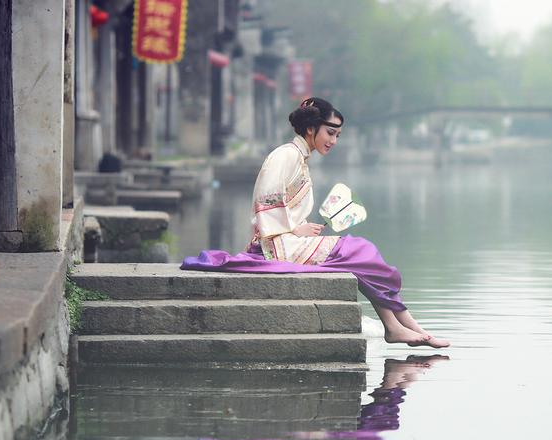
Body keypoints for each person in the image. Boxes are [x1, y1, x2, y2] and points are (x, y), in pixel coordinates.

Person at [183, 97, 449, 349]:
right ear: (311, 129)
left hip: (289, 239)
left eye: (338, 135)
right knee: (360, 250)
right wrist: (295, 229)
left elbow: (286, 206)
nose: (334, 140)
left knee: (361, 254)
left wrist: (303, 227)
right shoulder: (285, 155)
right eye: (330, 133)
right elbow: (266, 200)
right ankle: (397, 327)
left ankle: (401, 326)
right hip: (275, 245)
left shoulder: (300, 158)